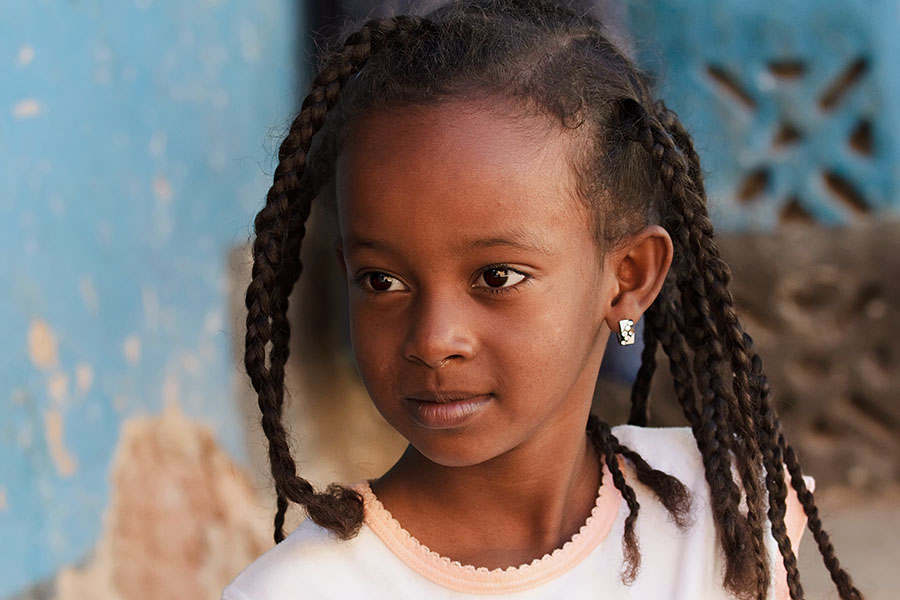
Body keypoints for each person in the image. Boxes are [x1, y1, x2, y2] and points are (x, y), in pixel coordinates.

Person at [224, 1, 862, 598]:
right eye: (381, 281)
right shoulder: (305, 588)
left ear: (630, 277)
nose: (433, 340)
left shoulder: (719, 519)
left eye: (497, 277)